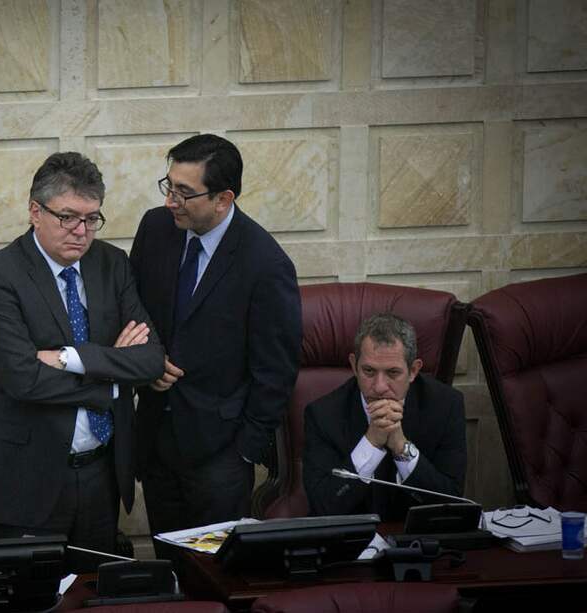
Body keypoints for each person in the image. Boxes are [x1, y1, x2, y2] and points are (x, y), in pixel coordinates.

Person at [0, 152, 165, 563]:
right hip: (25, 478)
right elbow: (22, 377)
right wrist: (112, 378)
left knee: (95, 598)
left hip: (101, 474)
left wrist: (71, 358)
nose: (81, 232)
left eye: (92, 219)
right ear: (35, 211)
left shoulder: (111, 264)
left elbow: (149, 360)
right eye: (68, 217)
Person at [129, 134, 302, 545]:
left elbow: (275, 371)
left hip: (219, 456)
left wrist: (244, 450)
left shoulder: (266, 264)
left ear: (223, 199)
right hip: (155, 441)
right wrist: (146, 362)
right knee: (169, 569)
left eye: (185, 193)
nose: (171, 200)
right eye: (169, 186)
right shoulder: (155, 228)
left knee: (213, 576)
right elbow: (133, 309)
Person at [303, 313, 467, 521]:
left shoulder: (445, 406)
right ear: (354, 366)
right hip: (353, 545)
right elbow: (323, 507)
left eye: (392, 373)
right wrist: (371, 443)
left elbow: (451, 502)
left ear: (413, 371)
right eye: (369, 371)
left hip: (418, 542)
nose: (380, 387)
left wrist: (401, 447)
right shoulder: (323, 415)